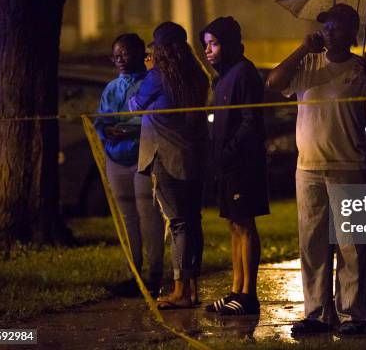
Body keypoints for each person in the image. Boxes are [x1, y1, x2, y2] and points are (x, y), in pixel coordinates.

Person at [267, 3, 366, 335]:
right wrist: (302, 47)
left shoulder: (363, 70)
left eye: (337, 27)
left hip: (349, 165)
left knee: (352, 246)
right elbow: (274, 82)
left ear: (352, 31)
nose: (329, 32)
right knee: (313, 245)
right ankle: (317, 314)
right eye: (326, 26)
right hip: (309, 168)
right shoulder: (307, 63)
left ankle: (354, 316)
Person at [129, 22, 210, 309]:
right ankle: (192, 288)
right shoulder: (198, 75)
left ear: (160, 49)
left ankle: (179, 291)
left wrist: (150, 72)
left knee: (178, 223)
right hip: (194, 155)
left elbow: (135, 105)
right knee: (192, 221)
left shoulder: (159, 75)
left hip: (166, 156)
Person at [201, 16, 270, 316]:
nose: (209, 50)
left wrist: (229, 150)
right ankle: (235, 289)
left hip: (242, 163)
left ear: (228, 44)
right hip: (225, 164)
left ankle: (248, 294)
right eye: (206, 45)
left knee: (245, 224)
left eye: (214, 44)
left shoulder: (244, 73)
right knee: (233, 224)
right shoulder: (223, 76)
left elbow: (250, 121)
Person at [95, 33, 164, 297]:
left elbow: (152, 118)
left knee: (149, 216)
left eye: (125, 53)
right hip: (116, 158)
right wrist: (107, 133)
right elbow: (102, 120)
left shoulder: (151, 81)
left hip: (143, 157)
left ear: (139, 54)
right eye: (116, 55)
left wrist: (128, 128)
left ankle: (155, 274)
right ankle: (132, 273)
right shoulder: (111, 88)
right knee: (127, 218)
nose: (120, 59)